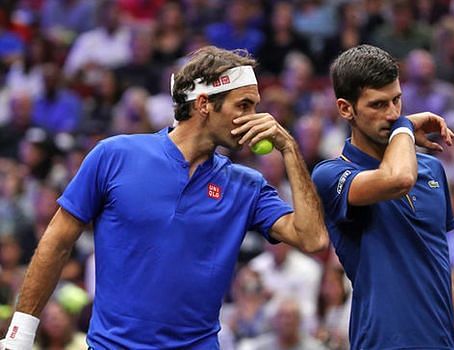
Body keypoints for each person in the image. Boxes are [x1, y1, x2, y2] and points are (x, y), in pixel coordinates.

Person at [1, 46, 329, 349]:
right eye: (243, 105)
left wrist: (288, 147)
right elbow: (56, 241)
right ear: (203, 104)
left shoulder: (247, 185)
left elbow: (313, 239)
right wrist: (20, 333)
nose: (256, 118)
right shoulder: (114, 155)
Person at [311, 44, 454, 349]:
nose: (393, 114)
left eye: (397, 100)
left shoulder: (433, 169)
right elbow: (398, 179)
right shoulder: (330, 175)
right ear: (346, 109)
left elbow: (439, 261)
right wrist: (406, 127)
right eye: (378, 105)